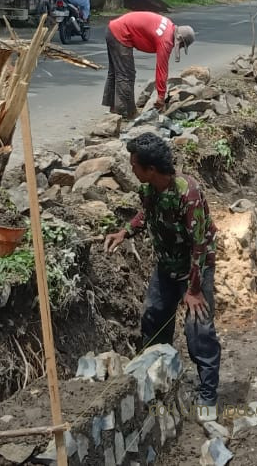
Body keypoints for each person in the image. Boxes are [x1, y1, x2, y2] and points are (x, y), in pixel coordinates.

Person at [103, 133, 220, 413]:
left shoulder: (187, 192)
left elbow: (201, 244)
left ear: (151, 169)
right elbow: (146, 215)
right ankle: (160, 380)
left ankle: (208, 395)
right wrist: (125, 231)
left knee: (198, 331)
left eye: (134, 166)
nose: (131, 169)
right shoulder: (149, 191)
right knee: (154, 320)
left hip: (195, 268)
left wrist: (193, 290)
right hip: (166, 267)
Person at [102, 10, 195, 117]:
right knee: (126, 74)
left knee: (116, 72)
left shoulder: (170, 26)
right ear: (180, 40)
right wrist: (161, 97)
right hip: (120, 33)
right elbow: (161, 69)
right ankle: (127, 112)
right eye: (182, 46)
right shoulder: (166, 40)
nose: (179, 48)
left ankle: (113, 109)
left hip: (113, 28)